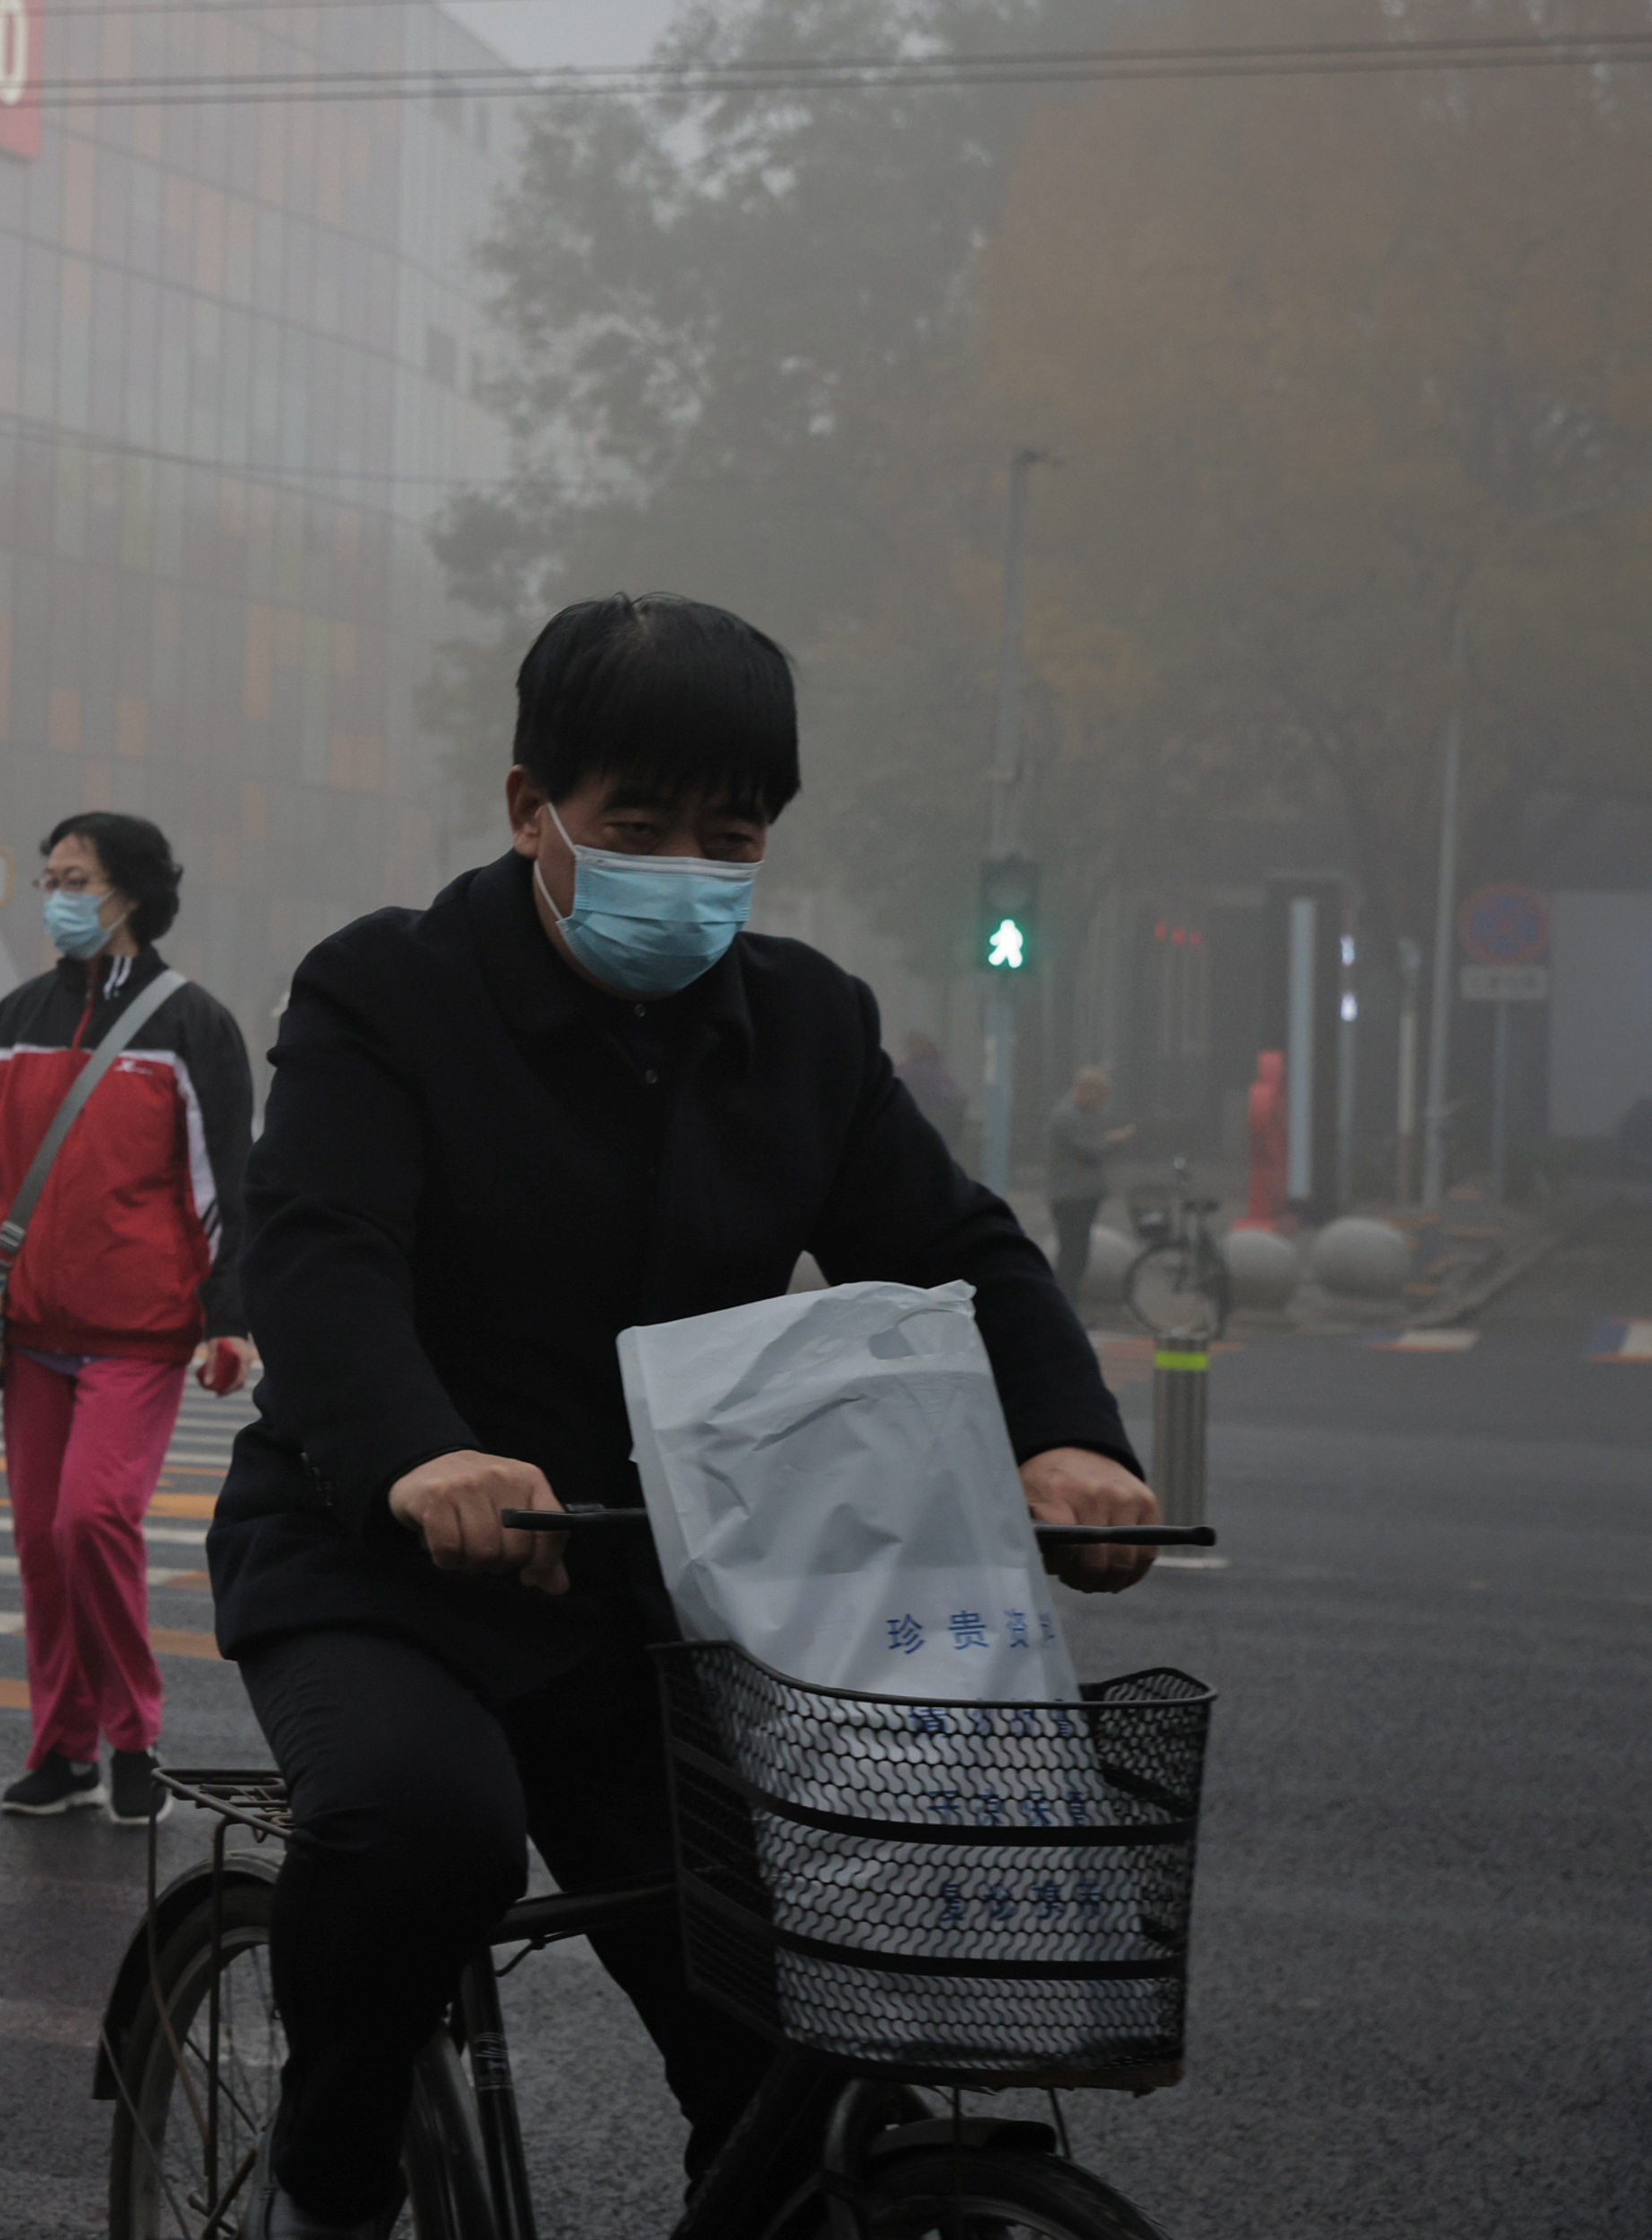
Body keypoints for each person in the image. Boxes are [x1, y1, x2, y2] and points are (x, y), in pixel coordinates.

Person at [209, 592, 1160, 2239]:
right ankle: (332, 2182)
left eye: (732, 836)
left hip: (662, 1593)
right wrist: (422, 1452)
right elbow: (321, 1251)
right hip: (386, 1569)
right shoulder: (388, 993)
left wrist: (1064, 1436)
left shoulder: (804, 1023)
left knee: (801, 2031)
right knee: (428, 1830)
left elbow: (950, 1249)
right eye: (637, 827)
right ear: (531, 811)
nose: (689, 871)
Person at [0, 814, 258, 1828]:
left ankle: (132, 1735)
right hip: (31, 1331)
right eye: (48, 879)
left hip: (139, 1331)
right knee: (43, 1543)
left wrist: (233, 1318)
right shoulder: (17, 1017)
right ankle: (63, 1749)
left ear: (127, 892)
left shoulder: (190, 1023)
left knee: (94, 1521)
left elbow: (226, 1183)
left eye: (74, 878)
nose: (56, 897)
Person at [1043, 1064, 1133, 1294]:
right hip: (1071, 1196)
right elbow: (1089, 1150)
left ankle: (1069, 1305)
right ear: (1086, 1089)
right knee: (1072, 1256)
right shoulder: (1067, 1116)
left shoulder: (1079, 1115)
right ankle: (1064, 1304)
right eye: (1101, 1096)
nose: (1102, 1102)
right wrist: (1114, 1140)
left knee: (1078, 1254)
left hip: (1080, 1195)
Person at [898, 1026, 971, 1163]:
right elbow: (956, 1095)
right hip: (943, 1135)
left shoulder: (908, 1072)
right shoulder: (938, 1069)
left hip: (918, 1134)